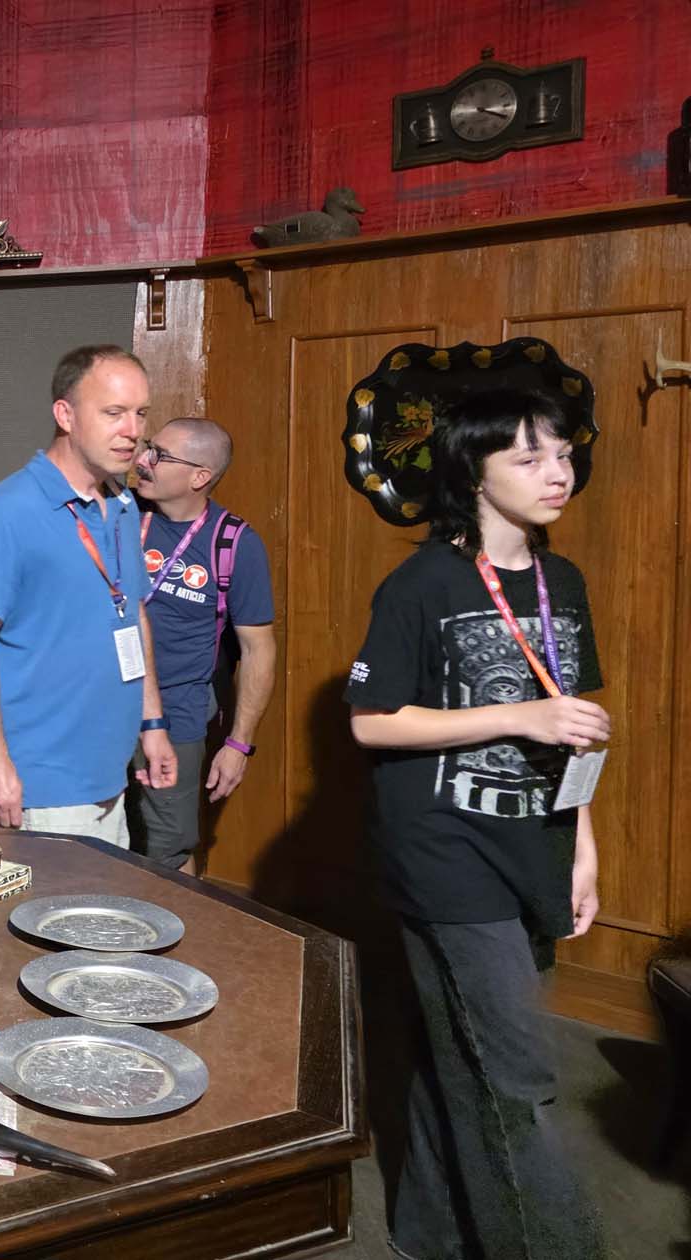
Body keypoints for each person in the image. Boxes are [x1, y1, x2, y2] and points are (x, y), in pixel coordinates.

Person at [345, 388, 606, 1260]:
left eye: (562, 454)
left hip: (537, 841)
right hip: (444, 850)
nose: (557, 473)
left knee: (459, 1052)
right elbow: (372, 722)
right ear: (474, 475)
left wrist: (584, 846)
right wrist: (517, 717)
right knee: (517, 1077)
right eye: (528, 458)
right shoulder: (422, 582)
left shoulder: (565, 581)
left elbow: (573, 724)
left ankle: (431, 1236)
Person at [0, 416, 275, 873]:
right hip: (95, 712)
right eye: (148, 446)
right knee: (97, 847)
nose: (144, 459)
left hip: (174, 717)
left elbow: (258, 649)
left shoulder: (233, 543)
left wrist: (239, 744)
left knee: (167, 848)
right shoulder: (118, 509)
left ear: (200, 476)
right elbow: (44, 544)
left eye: (160, 455)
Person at [0, 345, 176, 845]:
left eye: (140, 413)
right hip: (44, 787)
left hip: (111, 775)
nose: (132, 430)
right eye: (113, 413)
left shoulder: (122, 504)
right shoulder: (5, 512)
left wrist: (151, 722)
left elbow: (132, 614)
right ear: (65, 415)